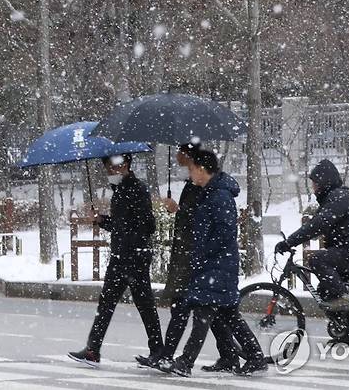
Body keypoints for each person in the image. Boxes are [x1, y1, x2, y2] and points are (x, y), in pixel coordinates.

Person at [160, 149, 266, 377]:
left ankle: (186, 362)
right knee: (229, 315)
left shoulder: (219, 195)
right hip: (217, 265)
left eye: (191, 169)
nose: (190, 174)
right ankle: (255, 357)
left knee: (202, 313)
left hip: (217, 266)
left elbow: (225, 231)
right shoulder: (210, 193)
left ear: (201, 169)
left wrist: (204, 255)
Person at [136, 144, 240, 373]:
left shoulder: (209, 190)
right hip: (193, 254)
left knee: (192, 307)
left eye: (181, 153)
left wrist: (179, 211)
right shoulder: (199, 185)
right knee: (210, 310)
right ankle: (230, 355)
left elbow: (206, 222)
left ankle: (176, 358)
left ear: (194, 162)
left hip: (198, 256)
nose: (177, 157)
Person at [68, 154, 164, 366]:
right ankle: (93, 350)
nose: (110, 173)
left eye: (113, 168)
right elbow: (121, 225)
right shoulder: (120, 190)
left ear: (126, 165)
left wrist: (127, 234)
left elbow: (148, 225)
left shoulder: (137, 189)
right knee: (106, 302)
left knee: (144, 303)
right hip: (120, 255)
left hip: (135, 256)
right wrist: (101, 220)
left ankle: (158, 350)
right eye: (108, 169)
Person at [275, 159, 349, 311]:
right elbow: (318, 226)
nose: (313, 188)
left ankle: (344, 299)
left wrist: (289, 242)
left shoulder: (338, 198)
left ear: (325, 182)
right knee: (326, 291)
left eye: (315, 183)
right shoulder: (335, 197)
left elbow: (316, 225)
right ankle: (347, 330)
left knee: (317, 259)